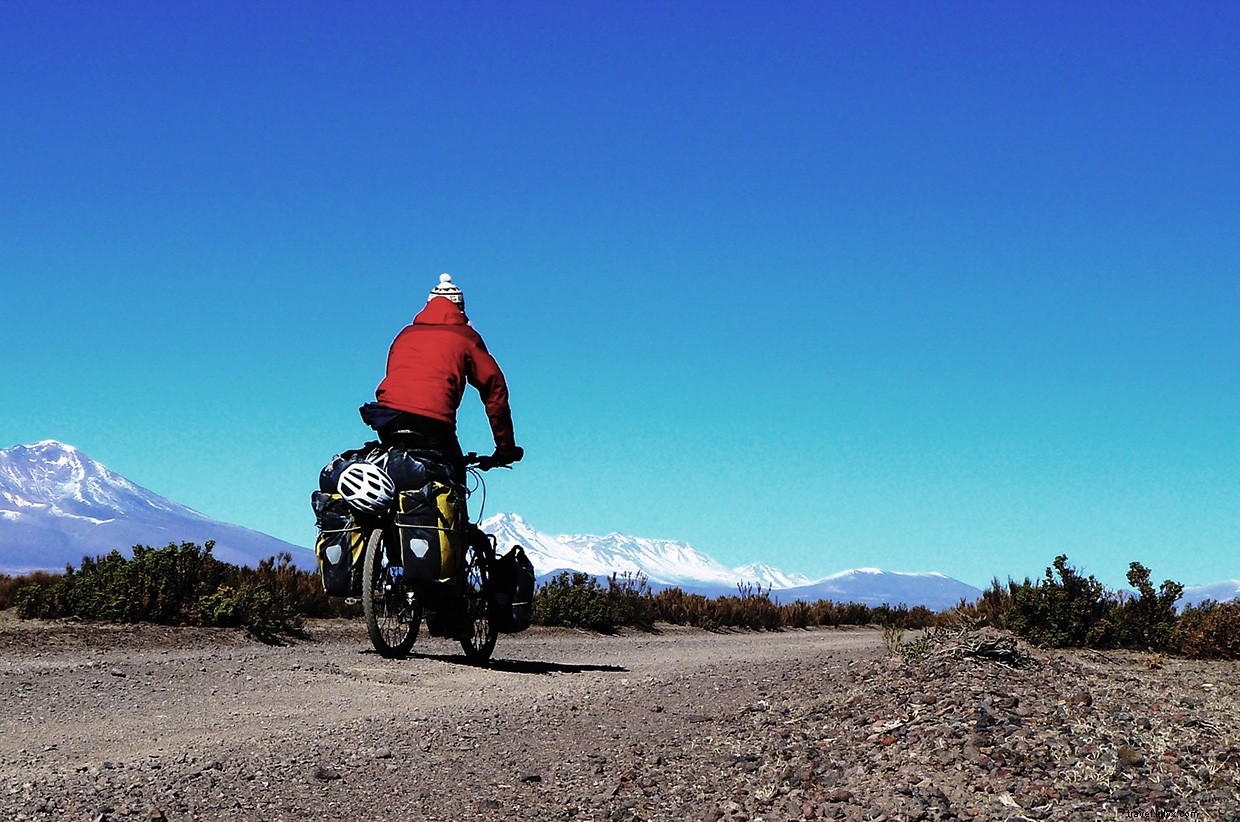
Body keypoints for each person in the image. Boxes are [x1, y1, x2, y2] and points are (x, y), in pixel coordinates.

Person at [359, 273, 523, 484]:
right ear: (461, 309)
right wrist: (505, 448)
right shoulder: (465, 336)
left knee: (397, 472)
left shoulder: (405, 334)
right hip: (433, 423)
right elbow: (495, 390)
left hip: (388, 418)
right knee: (452, 477)